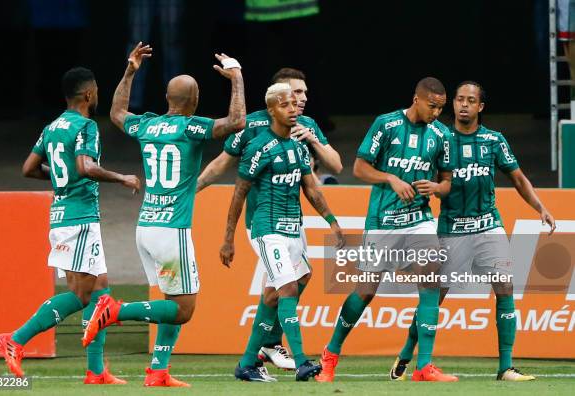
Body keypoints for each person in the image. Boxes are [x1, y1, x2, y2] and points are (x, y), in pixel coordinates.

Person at [81, 43, 246, 388]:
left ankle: (158, 370)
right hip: (172, 232)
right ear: (195, 100)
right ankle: (114, 311)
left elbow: (116, 113)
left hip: (146, 228)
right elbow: (236, 122)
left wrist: (129, 71)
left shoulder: (148, 126)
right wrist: (236, 78)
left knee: (171, 300)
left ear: (168, 98)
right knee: (184, 310)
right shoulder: (191, 127)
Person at [390, 81, 556, 382]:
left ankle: (506, 366)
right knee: (433, 298)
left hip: (488, 224)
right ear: (452, 104)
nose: (463, 105)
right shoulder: (438, 138)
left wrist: (540, 207)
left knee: (505, 288)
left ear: (480, 107)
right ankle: (406, 354)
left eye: (470, 100)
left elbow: (517, 178)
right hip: (451, 229)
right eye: (459, 100)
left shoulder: (494, 140)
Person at [0, 67, 141, 384]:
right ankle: (16, 339)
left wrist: (63, 180)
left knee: (101, 288)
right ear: (89, 94)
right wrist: (122, 178)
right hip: (79, 218)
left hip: (63, 214)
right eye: (98, 90)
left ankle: (96, 371)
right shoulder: (86, 126)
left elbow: (29, 169)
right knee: (83, 295)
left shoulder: (51, 128)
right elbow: (85, 166)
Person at [197, 67, 341, 370]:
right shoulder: (254, 133)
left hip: (293, 223)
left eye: (302, 95)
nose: (299, 101)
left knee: (292, 284)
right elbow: (226, 171)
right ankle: (298, 359)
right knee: (285, 288)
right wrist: (192, 192)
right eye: (293, 96)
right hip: (263, 223)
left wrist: (313, 141)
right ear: (275, 102)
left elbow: (332, 170)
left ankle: (254, 357)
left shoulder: (305, 130)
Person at [316, 77, 458, 383]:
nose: (436, 112)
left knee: (432, 279)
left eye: (441, 107)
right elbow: (359, 168)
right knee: (365, 292)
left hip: (419, 219)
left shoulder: (442, 134)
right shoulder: (386, 124)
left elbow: (447, 181)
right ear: (416, 100)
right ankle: (330, 355)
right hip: (383, 221)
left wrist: (436, 186)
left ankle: (424, 366)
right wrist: (391, 179)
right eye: (432, 106)